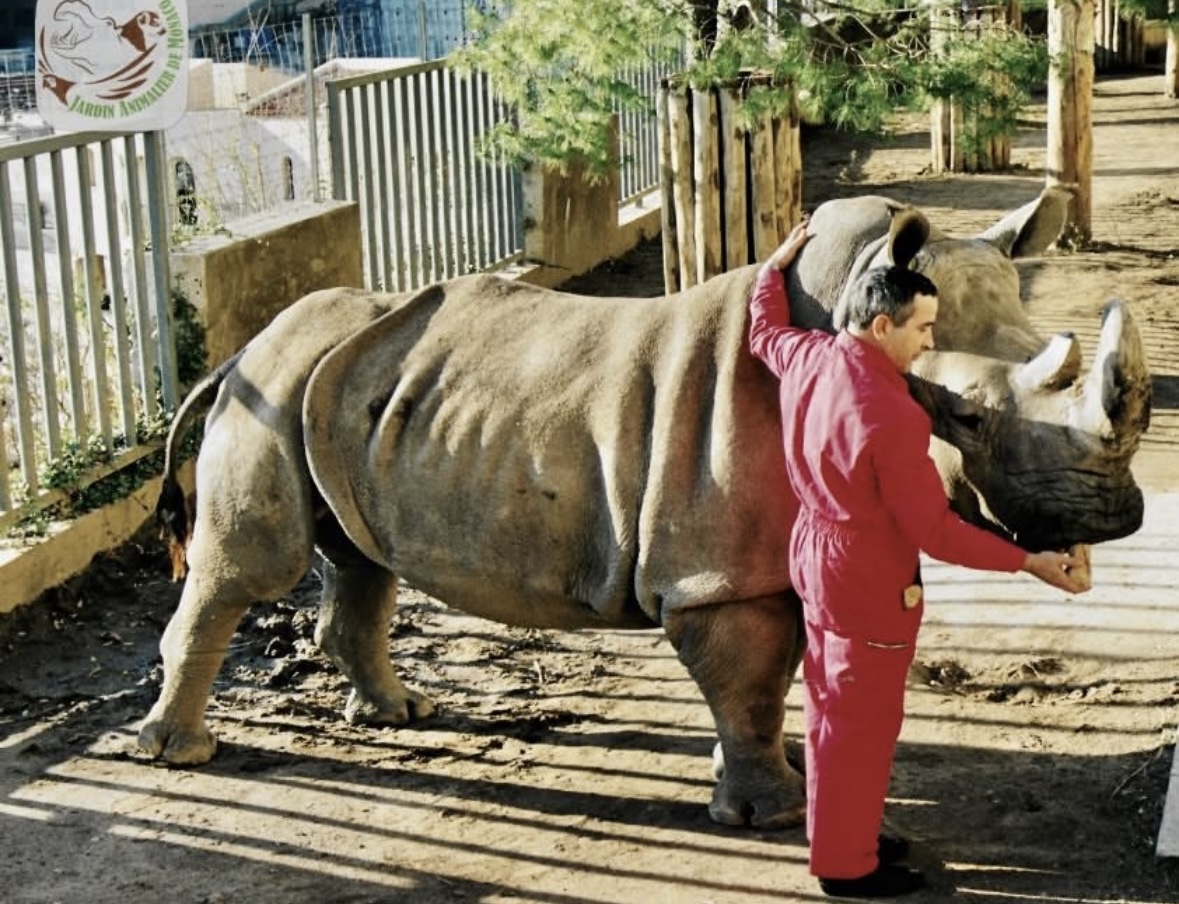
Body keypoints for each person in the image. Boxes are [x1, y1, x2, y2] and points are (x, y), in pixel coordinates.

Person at [747, 220, 1090, 898]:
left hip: (813, 553)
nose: (929, 342)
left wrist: (772, 269)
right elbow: (934, 530)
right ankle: (845, 866)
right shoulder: (890, 414)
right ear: (881, 325)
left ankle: (845, 830)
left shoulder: (810, 357)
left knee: (828, 706)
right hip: (865, 575)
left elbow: (762, 331)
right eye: (922, 329)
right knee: (859, 723)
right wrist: (1028, 563)